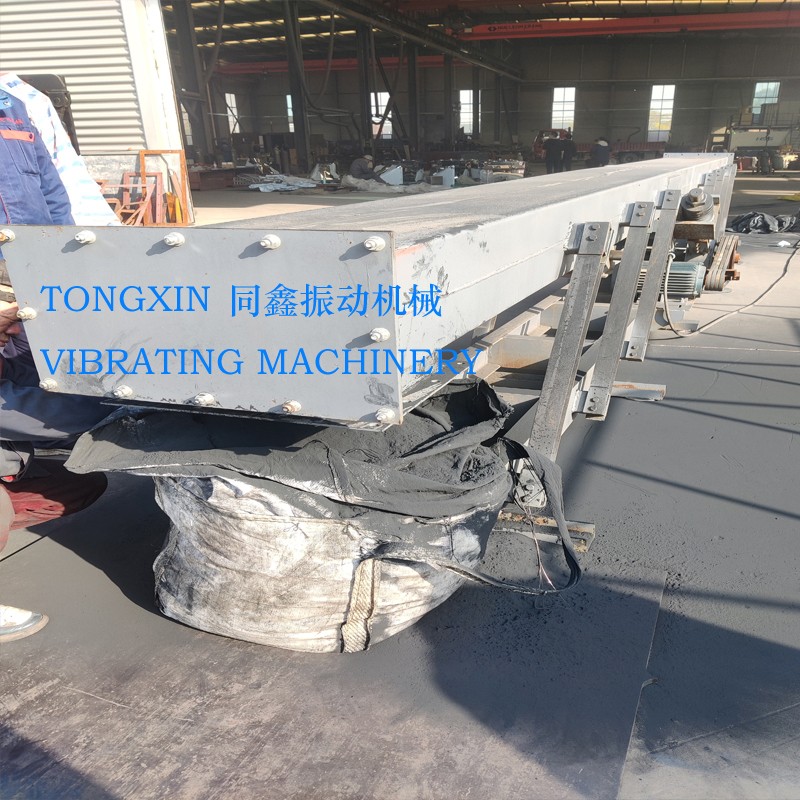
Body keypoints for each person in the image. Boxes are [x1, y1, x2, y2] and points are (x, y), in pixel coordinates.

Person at [1, 87, 110, 643]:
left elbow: (59, 206)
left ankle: (11, 466)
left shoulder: (15, 106)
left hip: (24, 313)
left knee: (80, 450)